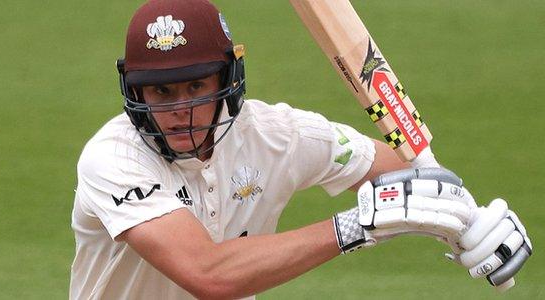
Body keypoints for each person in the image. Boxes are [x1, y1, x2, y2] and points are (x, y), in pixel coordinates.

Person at [69, 1, 532, 299]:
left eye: (195, 86)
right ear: (136, 92)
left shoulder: (277, 133)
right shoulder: (114, 159)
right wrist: (358, 226)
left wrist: (466, 217)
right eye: (162, 92)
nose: (181, 109)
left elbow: (401, 169)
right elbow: (209, 274)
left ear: (227, 81)